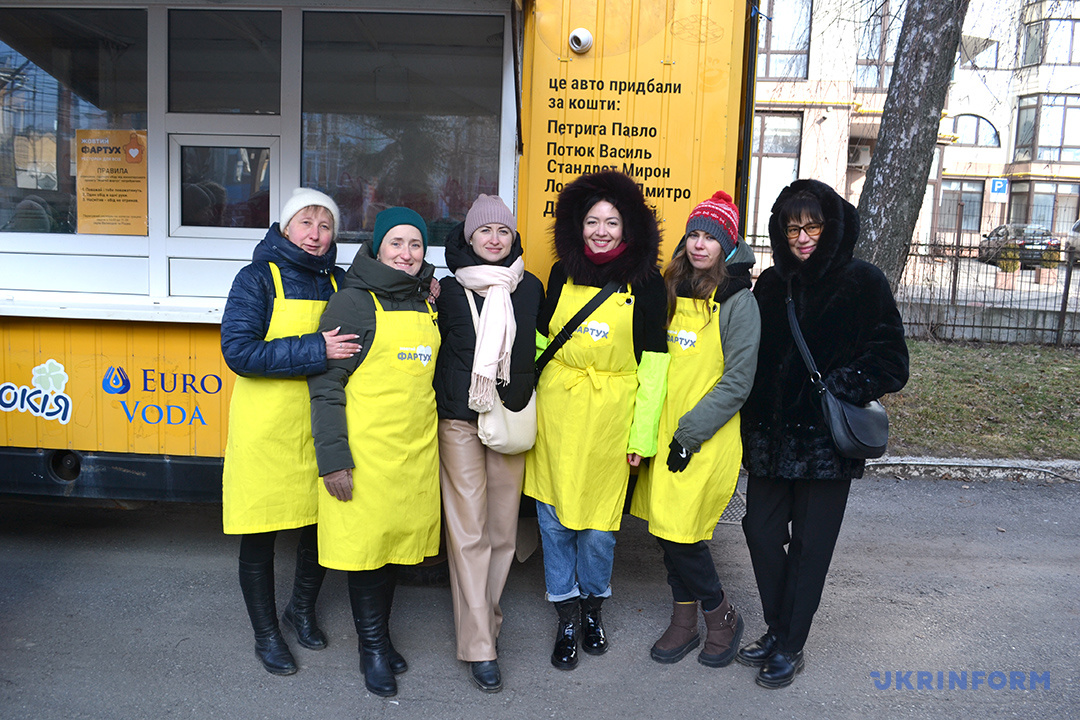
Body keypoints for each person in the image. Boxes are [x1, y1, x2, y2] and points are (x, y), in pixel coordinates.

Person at [738, 179, 909, 689]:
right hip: (770, 442)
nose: (802, 237)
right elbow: (754, 358)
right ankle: (779, 628)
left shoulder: (863, 281)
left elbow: (892, 361)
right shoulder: (772, 285)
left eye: (812, 226)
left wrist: (836, 388)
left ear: (830, 227)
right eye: (793, 228)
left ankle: (789, 644)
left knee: (810, 549)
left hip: (824, 446)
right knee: (760, 532)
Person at [524, 170, 668, 670]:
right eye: (592, 221)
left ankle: (593, 609)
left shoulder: (647, 284)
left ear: (628, 228)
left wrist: (642, 436)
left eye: (611, 222)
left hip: (611, 422)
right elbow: (542, 342)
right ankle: (565, 615)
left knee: (599, 530)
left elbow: (655, 367)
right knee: (554, 522)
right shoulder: (560, 273)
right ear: (577, 226)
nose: (601, 231)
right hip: (557, 416)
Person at [221, 187, 359, 676]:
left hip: (321, 425)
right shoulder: (257, 278)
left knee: (318, 528)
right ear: (285, 228)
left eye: (325, 226)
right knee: (260, 533)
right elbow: (239, 352)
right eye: (306, 223)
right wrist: (316, 349)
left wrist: (428, 287)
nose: (315, 235)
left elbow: (388, 295)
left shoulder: (341, 282)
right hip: (267, 427)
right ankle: (266, 635)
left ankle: (300, 610)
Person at [307, 207, 440, 698]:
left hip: (412, 452)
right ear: (378, 249)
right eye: (396, 243)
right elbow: (325, 387)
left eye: (415, 244)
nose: (406, 254)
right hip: (365, 454)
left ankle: (380, 636)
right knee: (367, 556)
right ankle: (372, 649)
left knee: (391, 552)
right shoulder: (353, 302)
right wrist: (333, 460)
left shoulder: (425, 300)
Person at [630, 191, 761, 668]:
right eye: (694, 235)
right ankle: (683, 620)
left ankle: (720, 614)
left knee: (682, 533)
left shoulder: (739, 301)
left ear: (728, 245)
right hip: (664, 430)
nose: (699, 244)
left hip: (704, 436)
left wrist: (689, 434)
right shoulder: (671, 287)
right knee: (666, 528)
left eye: (711, 237)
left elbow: (738, 381)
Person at [433, 194, 544, 693]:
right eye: (485, 231)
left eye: (503, 231)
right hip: (459, 419)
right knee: (468, 532)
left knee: (502, 533)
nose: (494, 239)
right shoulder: (446, 289)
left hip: (510, 417)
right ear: (469, 237)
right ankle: (481, 645)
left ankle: (486, 616)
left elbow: (542, 347)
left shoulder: (530, 286)